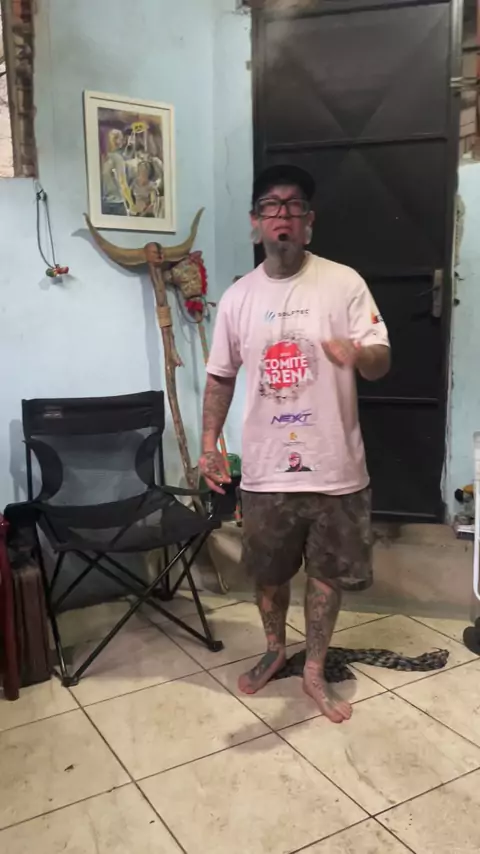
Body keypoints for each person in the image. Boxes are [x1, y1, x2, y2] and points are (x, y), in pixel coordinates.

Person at [199, 164, 390, 723]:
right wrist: (209, 442)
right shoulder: (238, 298)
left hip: (336, 467)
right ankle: (275, 650)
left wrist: (359, 354)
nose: (282, 215)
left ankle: (314, 668)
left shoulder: (344, 283)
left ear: (309, 221)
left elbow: (381, 359)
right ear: (256, 222)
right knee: (268, 573)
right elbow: (220, 376)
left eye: (293, 205)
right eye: (270, 206)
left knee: (328, 575)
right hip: (266, 470)